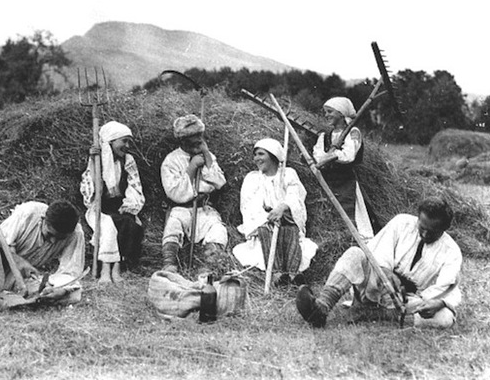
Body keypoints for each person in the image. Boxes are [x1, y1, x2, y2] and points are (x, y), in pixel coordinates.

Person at [296, 197, 462, 329]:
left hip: (406, 300)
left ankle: (375, 314)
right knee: (355, 254)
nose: (424, 234)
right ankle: (321, 308)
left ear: (444, 229)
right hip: (377, 283)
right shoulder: (402, 222)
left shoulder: (451, 251)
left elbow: (449, 287)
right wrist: (386, 273)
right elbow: (378, 253)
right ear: (418, 218)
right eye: (422, 227)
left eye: (431, 232)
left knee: (445, 318)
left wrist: (438, 303)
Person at [233, 138, 317, 284]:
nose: (256, 159)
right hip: (262, 222)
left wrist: (283, 207)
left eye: (261, 154)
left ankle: (293, 274)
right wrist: (268, 217)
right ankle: (277, 274)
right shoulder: (252, 179)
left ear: (273, 155)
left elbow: (295, 196)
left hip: (287, 218)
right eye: (255, 155)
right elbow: (249, 206)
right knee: (267, 230)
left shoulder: (288, 174)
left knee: (290, 230)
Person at [160, 114, 228, 274]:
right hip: (181, 208)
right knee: (173, 226)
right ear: (183, 140)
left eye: (200, 136)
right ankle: (170, 265)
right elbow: (175, 193)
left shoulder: (208, 157)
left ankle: (207, 267)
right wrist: (191, 167)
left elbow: (220, 182)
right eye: (193, 137)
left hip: (203, 209)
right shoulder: (171, 160)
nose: (198, 140)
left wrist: (206, 157)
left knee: (218, 230)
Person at [80, 121, 145, 284]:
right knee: (108, 226)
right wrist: (95, 162)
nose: (127, 145)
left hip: (119, 206)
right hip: (100, 207)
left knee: (129, 224)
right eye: (124, 141)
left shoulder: (127, 160)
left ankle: (118, 265)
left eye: (128, 141)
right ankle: (105, 270)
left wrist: (129, 204)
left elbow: (134, 185)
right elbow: (91, 189)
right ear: (111, 142)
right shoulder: (97, 160)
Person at [312, 97, 376, 239]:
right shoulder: (324, 136)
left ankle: (354, 239)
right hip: (327, 180)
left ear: (341, 114)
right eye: (325, 112)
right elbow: (318, 154)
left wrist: (332, 156)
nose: (326, 115)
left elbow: (349, 155)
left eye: (330, 112)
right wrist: (324, 157)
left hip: (345, 181)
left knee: (349, 211)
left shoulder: (353, 132)